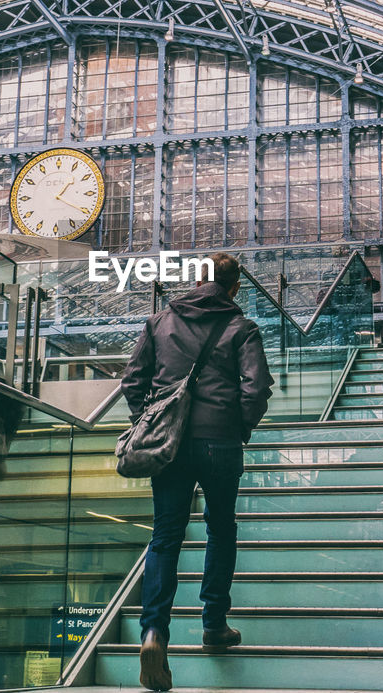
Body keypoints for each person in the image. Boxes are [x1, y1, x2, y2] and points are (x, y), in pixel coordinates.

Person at [120, 252, 275, 692]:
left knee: (165, 535)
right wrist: (238, 425)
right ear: (235, 287)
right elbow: (257, 385)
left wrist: (150, 421)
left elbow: (133, 381)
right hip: (220, 441)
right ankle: (213, 624)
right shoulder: (240, 327)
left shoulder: (159, 322)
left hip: (170, 446)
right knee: (221, 529)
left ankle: (153, 633)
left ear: (196, 280)